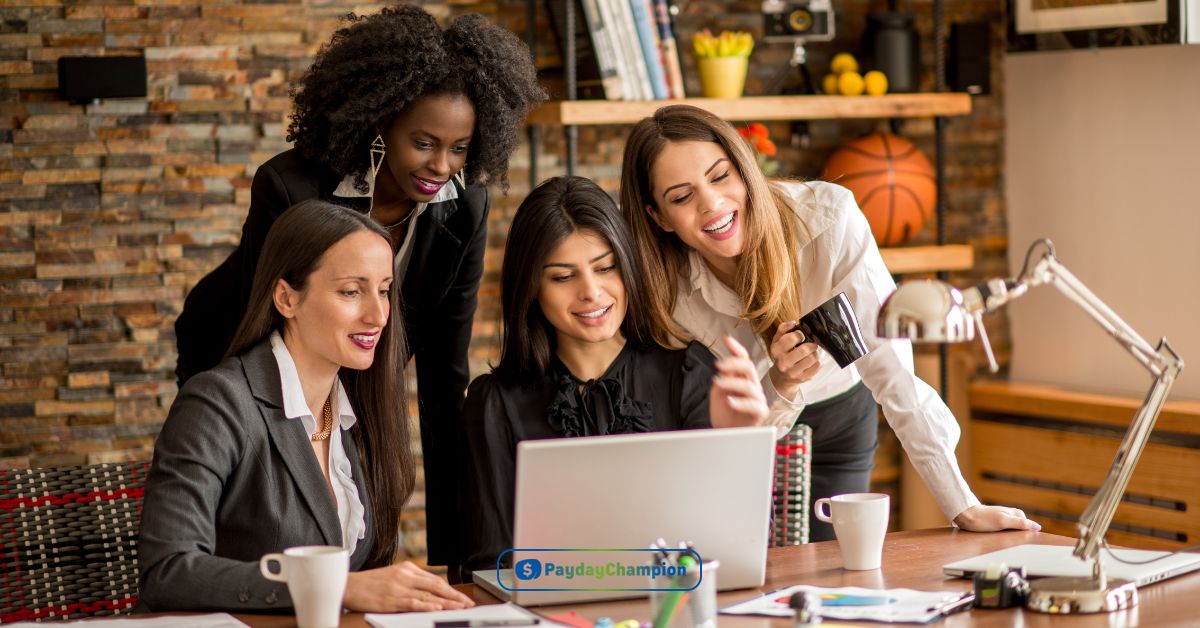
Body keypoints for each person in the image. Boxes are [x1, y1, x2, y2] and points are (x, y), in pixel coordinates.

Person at [171, 5, 545, 568]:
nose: (441, 165)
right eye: (424, 141)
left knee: (368, 505)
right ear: (380, 123)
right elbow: (265, 330)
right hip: (240, 342)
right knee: (273, 513)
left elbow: (444, 373)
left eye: (460, 148)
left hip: (363, 357)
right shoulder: (291, 187)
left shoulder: (465, 208)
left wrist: (458, 567)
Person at [618, 105, 1041, 541]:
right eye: (682, 197)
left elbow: (890, 369)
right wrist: (781, 385)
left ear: (744, 170)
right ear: (658, 216)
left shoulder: (828, 218)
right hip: (753, 429)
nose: (712, 204)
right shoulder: (671, 292)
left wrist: (962, 505)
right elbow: (725, 432)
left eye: (720, 176)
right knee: (749, 560)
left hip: (841, 414)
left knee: (833, 570)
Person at [139, 200, 475, 613]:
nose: (378, 315)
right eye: (352, 291)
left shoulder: (359, 407)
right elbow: (168, 571)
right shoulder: (216, 403)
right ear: (286, 298)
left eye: (384, 291)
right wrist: (339, 588)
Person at [459, 176, 769, 577]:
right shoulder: (494, 403)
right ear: (532, 286)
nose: (591, 291)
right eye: (562, 276)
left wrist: (739, 443)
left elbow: (739, 546)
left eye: (606, 267)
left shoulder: (689, 371)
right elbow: (488, 563)